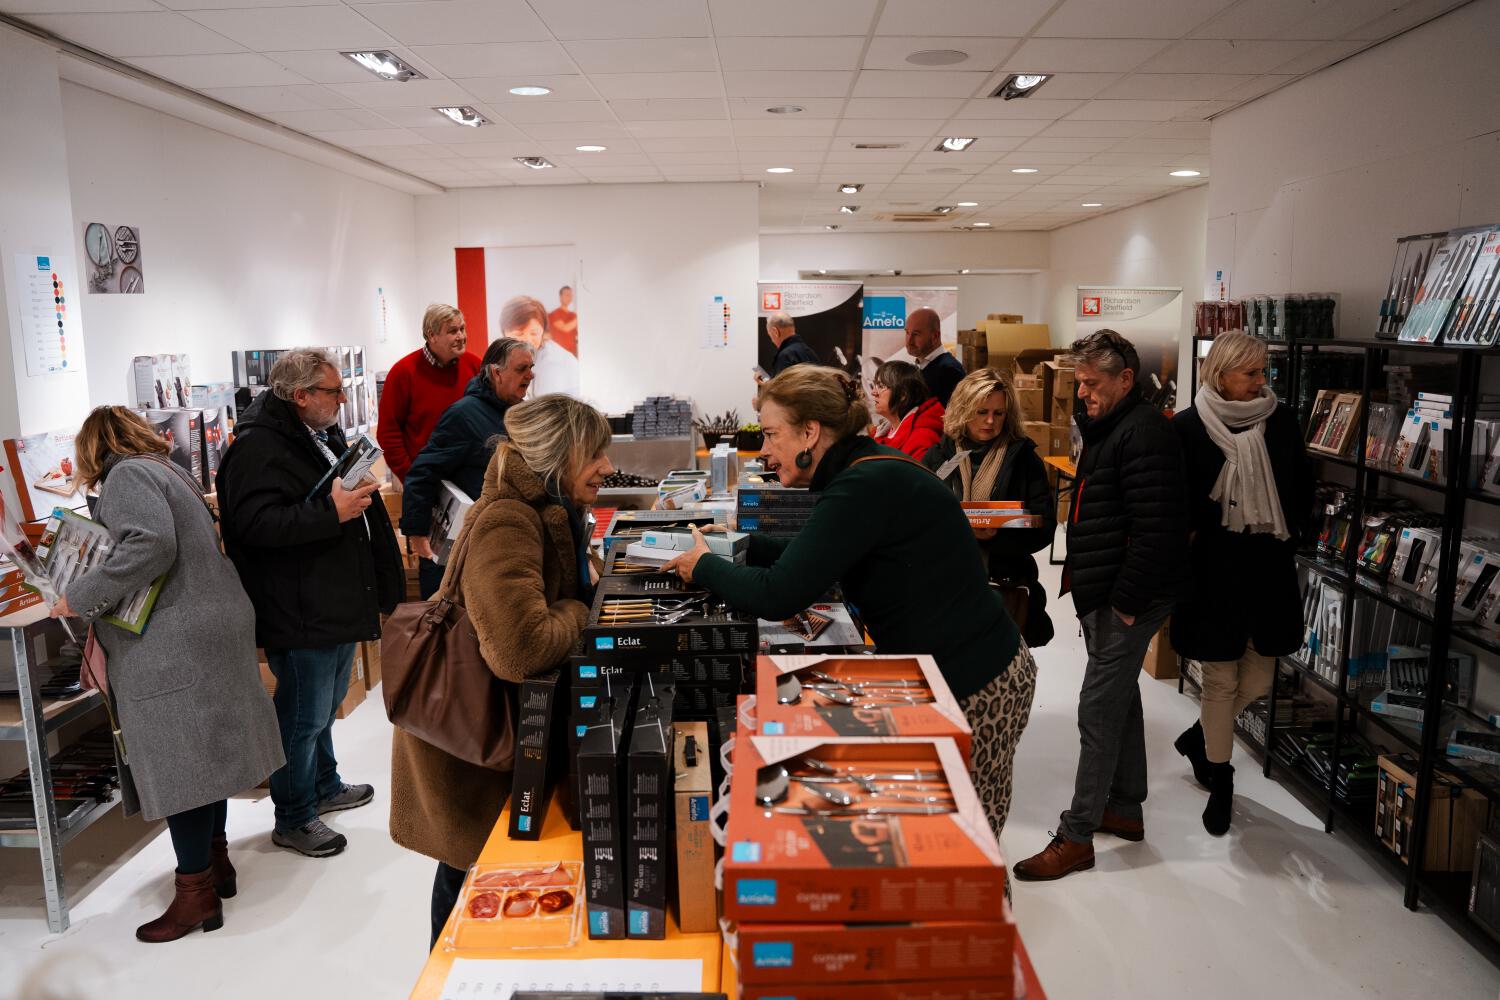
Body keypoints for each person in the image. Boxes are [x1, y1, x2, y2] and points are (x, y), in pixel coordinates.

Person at [664, 366, 1035, 870]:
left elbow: (780, 594)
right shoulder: (864, 468)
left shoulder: (864, 482)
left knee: (960, 853)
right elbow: (820, 553)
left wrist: (703, 565)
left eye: (772, 434)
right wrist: (741, 548)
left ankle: (972, 942)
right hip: (951, 673)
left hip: (977, 680)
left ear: (810, 432)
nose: (765, 451)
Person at [52, 406, 284, 942]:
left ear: (92, 448)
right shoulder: (166, 468)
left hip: (174, 640)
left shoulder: (126, 475)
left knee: (181, 761)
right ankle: (217, 864)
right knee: (210, 752)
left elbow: (151, 544)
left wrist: (80, 595)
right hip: (210, 626)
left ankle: (194, 894)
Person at [390, 394, 614, 948]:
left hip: (501, 729)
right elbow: (520, 649)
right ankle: (453, 973)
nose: (607, 467)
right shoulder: (508, 521)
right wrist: (579, 611)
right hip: (474, 736)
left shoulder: (548, 511)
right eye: (596, 455)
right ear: (559, 457)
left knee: (481, 868)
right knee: (468, 869)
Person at [1013, 329, 1190, 883]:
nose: (1082, 392)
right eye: (1080, 382)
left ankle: (1077, 835)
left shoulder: (1144, 435)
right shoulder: (1109, 427)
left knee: (1095, 707)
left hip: (1126, 598)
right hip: (1106, 591)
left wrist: (1129, 603)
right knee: (1120, 700)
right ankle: (1125, 807)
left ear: (1125, 380)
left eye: (1092, 383)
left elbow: (1160, 529)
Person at [217, 348, 404, 859]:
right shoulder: (258, 449)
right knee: (301, 715)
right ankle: (294, 815)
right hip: (297, 606)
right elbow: (253, 528)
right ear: (299, 396)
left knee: (322, 706)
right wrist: (331, 511)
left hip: (330, 598)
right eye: (333, 391)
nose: (344, 398)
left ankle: (324, 785)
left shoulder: (314, 436)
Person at [1170, 331, 1312, 835]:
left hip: (1269, 565)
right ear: (1220, 375)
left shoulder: (1283, 421)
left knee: (1260, 676)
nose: (1261, 381)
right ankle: (1222, 781)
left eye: (1263, 371)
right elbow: (1180, 503)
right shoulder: (1188, 428)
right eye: (1249, 373)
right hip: (1214, 568)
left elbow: (1301, 486)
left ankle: (1200, 736)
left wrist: (1295, 536)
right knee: (1221, 678)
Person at [923, 367, 1056, 648]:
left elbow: (1044, 524)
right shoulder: (938, 457)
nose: (990, 421)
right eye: (981, 411)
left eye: (999, 413)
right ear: (963, 409)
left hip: (1003, 587)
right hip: (946, 589)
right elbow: (917, 520)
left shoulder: (1023, 459)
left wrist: (997, 536)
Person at [399, 337, 535, 598]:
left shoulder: (519, 413)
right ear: (496, 372)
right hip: (467, 547)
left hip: (505, 542)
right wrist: (417, 533)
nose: (530, 375)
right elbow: (421, 473)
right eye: (521, 369)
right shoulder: (463, 415)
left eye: (531, 368)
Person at [375, 303, 481, 483]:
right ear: (432, 335)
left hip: (471, 480)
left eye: (462, 329)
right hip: (425, 482)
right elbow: (388, 433)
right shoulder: (403, 373)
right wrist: (411, 477)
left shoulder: (475, 366)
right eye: (453, 331)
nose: (461, 336)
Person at [505, 294, 580, 398]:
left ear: (543, 331)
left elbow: (543, 411)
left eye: (534, 333)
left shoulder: (553, 364)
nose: (527, 340)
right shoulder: (508, 355)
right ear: (504, 332)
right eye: (519, 334)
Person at [869, 360, 944, 460]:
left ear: (902, 395)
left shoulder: (921, 439)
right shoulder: (882, 431)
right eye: (874, 385)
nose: (873, 392)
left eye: (880, 386)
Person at [904, 307, 965, 406]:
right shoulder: (923, 366)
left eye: (916, 334)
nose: (909, 341)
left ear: (935, 336)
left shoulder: (949, 370)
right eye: (907, 332)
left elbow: (949, 418)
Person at [761, 312, 819, 381]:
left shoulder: (785, 356)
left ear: (775, 332)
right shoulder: (809, 352)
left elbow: (781, 390)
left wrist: (767, 386)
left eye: (770, 335)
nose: (772, 340)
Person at [548, 284, 579, 356]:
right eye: (566, 295)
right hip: (558, 355)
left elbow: (577, 336)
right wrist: (581, 318)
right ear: (560, 297)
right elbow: (565, 328)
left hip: (572, 355)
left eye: (570, 295)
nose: (569, 297)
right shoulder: (554, 313)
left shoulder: (574, 315)